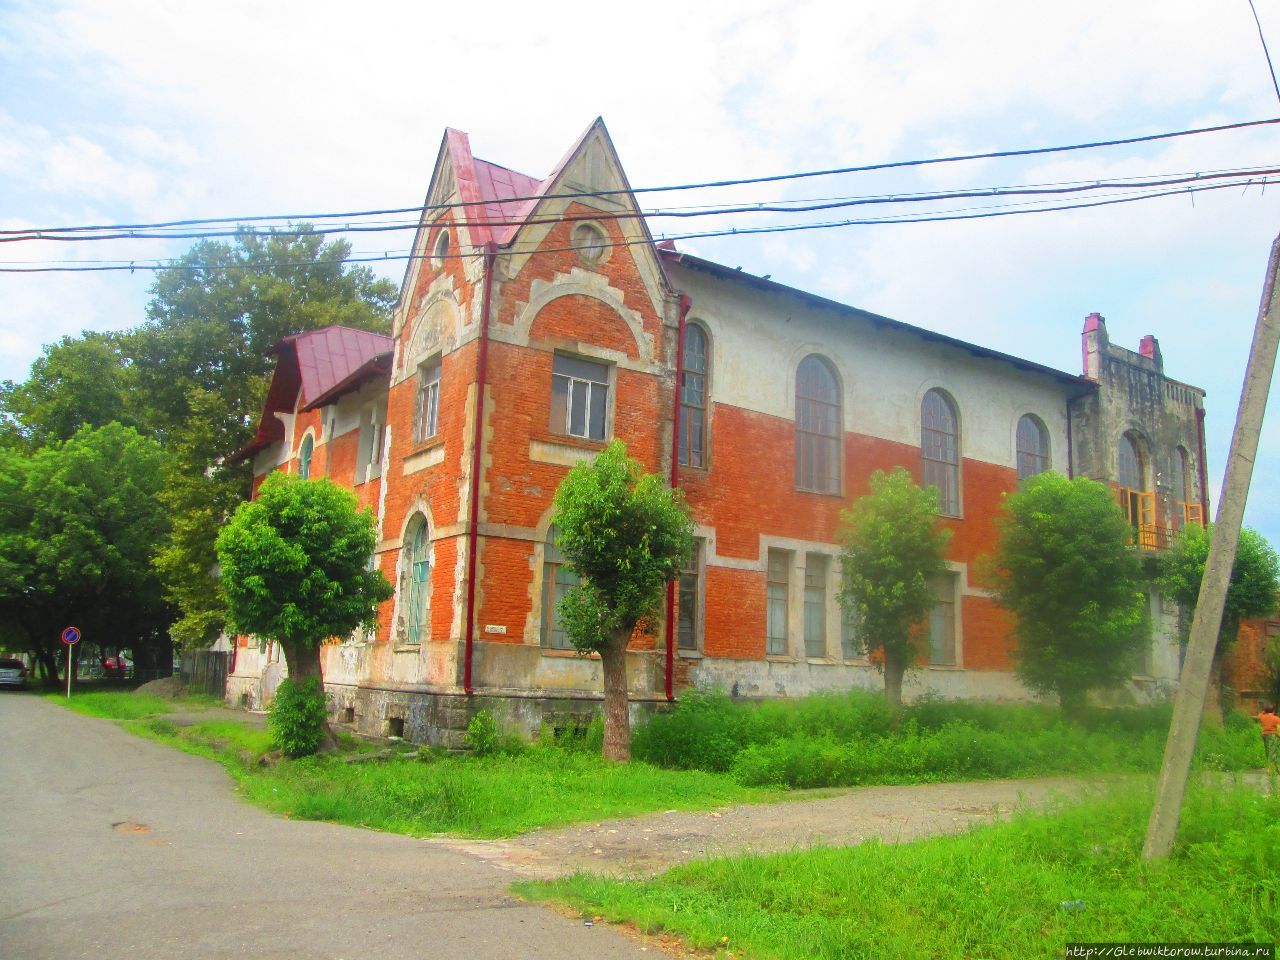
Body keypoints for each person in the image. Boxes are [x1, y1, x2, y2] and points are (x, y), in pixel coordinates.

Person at [1258, 704, 1280, 771]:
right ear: (1273, 711)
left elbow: (1259, 715)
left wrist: (1264, 711)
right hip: (1273, 735)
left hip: (1264, 735)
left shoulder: (1262, 717)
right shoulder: (1276, 718)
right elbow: (1279, 728)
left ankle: (1274, 767)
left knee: (1268, 751)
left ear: (1265, 711)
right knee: (1273, 751)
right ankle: (1271, 769)